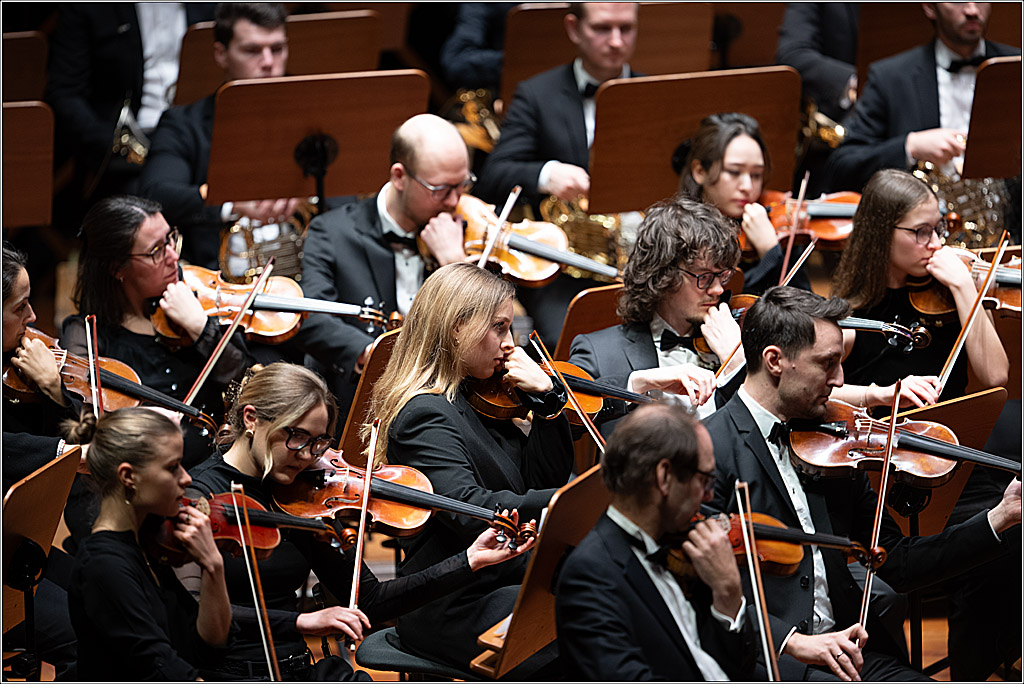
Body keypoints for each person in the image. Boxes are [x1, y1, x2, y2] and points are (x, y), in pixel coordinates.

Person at [703, 285, 1021, 681]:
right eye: (828, 363)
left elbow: (900, 562)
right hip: (768, 660)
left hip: (853, 655)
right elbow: (692, 587)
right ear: (775, 361)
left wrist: (1000, 517)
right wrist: (791, 641)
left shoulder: (834, 442)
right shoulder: (707, 448)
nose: (840, 379)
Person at [185, 361, 533, 680]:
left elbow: (373, 598)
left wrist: (468, 561)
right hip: (229, 674)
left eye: (319, 441)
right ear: (251, 418)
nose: (308, 455)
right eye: (297, 437)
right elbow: (190, 612)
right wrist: (303, 621)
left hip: (298, 670)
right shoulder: (200, 497)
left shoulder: (300, 497)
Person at [831, 167, 1017, 680]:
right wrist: (883, 393)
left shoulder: (945, 295)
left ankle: (987, 657)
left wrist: (964, 290)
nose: (936, 243)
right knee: (983, 551)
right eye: (921, 232)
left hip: (955, 460)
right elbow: (823, 393)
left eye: (940, 229)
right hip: (890, 475)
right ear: (880, 232)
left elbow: (996, 375)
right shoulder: (853, 317)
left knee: (1007, 539)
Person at [366, 262, 575, 672]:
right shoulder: (424, 414)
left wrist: (548, 401)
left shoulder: (484, 397)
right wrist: (566, 502)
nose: (511, 344)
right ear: (457, 327)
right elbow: (470, 510)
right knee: (582, 622)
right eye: (499, 328)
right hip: (456, 599)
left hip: (508, 572)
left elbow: (542, 478)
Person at [475, 1, 641, 347]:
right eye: (601, 28)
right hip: (565, 268)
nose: (615, 41)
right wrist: (546, 173)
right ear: (573, 28)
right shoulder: (537, 94)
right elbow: (494, 174)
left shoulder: (653, 94)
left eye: (625, 28)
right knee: (565, 343)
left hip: (643, 261)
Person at [555, 403, 757, 680]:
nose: (710, 497)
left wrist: (729, 596)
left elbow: (733, 668)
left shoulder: (682, 553)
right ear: (664, 477)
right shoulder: (590, 576)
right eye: (705, 480)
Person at [61, 195, 254, 474]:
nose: (173, 256)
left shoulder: (194, 304)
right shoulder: (87, 334)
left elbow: (245, 383)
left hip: (219, 466)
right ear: (117, 269)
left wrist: (201, 327)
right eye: (156, 251)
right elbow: (87, 428)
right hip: (147, 477)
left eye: (171, 239)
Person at [296, 113, 472, 418]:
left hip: (449, 402)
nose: (455, 201)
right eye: (441, 190)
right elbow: (312, 318)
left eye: (464, 185)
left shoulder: (461, 235)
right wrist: (378, 356)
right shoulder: (332, 232)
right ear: (400, 176)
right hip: (360, 402)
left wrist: (454, 264)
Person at [66, 407, 232, 681]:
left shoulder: (148, 544)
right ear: (128, 477)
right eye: (172, 467)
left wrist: (213, 566)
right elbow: (162, 669)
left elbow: (207, 649)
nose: (187, 478)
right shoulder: (103, 566)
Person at [139, 3, 305, 269]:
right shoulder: (182, 124)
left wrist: (306, 193)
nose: (269, 62)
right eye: (252, 50)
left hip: (307, 273)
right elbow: (156, 193)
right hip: (218, 282)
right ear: (221, 54)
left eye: (277, 49)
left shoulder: (313, 115)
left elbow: (346, 195)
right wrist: (232, 202)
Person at [568, 197, 745, 431]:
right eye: (704, 277)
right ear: (664, 275)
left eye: (722, 276)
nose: (718, 290)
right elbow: (563, 426)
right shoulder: (600, 351)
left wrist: (737, 365)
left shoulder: (737, 344)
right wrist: (638, 382)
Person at [825, 3, 1020, 194]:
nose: (972, 10)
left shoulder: (1017, 67)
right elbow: (842, 166)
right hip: (927, 220)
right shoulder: (891, 77)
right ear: (929, 7)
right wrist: (911, 146)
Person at [45, 3, 216, 216]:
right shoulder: (90, 8)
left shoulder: (211, 6)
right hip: (126, 153)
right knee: (142, 209)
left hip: (197, 139)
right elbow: (66, 93)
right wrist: (112, 148)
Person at [2, 241, 82, 680]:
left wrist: (55, 390)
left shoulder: (16, 367)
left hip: (18, 545)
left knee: (102, 598)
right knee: (82, 636)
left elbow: (73, 433)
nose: (34, 318)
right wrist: (62, 454)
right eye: (21, 306)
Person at [677, 112, 812, 295]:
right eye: (734, 172)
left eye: (756, 175)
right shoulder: (680, 234)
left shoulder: (778, 230)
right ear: (700, 171)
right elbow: (727, 300)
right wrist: (770, 255)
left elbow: (806, 305)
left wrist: (773, 247)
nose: (747, 186)